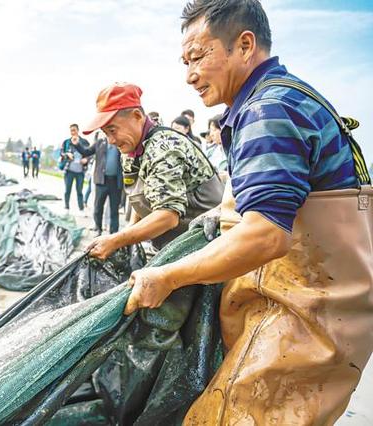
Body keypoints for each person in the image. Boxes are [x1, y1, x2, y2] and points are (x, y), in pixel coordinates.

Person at [125, 1, 373, 423]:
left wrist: (165, 275)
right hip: (307, 314)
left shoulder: (267, 110)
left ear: (244, 46)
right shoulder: (283, 98)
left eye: (199, 56)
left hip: (298, 321)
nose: (189, 74)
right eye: (185, 61)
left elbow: (266, 235)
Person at [82, 82, 223, 259]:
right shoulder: (131, 148)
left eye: (113, 130)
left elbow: (168, 216)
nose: (110, 140)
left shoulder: (164, 148)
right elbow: (140, 196)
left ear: (136, 116)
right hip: (174, 244)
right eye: (105, 133)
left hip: (205, 246)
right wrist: (130, 233)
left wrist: (117, 240)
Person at [71, 129, 124, 236]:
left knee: (114, 209)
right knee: (98, 207)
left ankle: (114, 233)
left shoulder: (120, 144)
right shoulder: (100, 143)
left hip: (115, 182)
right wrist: (77, 144)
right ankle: (98, 229)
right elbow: (86, 151)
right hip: (101, 181)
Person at [60, 124, 90, 212]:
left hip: (80, 171)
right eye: (71, 130)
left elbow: (90, 153)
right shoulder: (66, 142)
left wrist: (86, 159)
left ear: (78, 130)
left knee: (79, 191)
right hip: (69, 170)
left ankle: (81, 209)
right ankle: (66, 207)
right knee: (67, 190)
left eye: (74, 130)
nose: (72, 132)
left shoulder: (84, 142)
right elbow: (61, 153)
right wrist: (67, 154)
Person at [203, 114, 227, 179]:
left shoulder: (235, 150)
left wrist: (228, 176)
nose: (211, 134)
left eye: (214, 130)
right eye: (210, 131)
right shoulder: (210, 152)